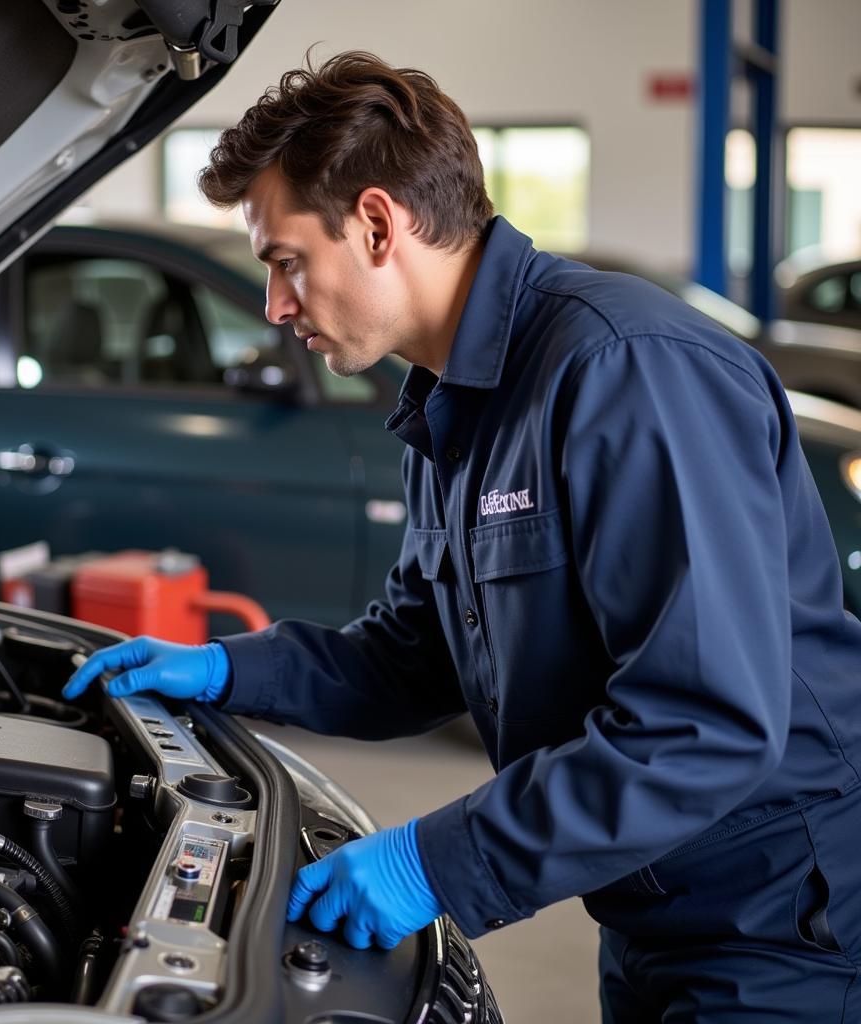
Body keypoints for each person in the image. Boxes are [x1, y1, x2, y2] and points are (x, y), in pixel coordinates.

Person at [64, 52, 861, 1020]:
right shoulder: (455, 404)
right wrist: (228, 671)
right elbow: (414, 658)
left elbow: (704, 725)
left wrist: (432, 860)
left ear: (374, 222)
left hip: (788, 919)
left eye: (284, 262)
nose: (275, 307)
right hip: (653, 903)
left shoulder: (623, 372)